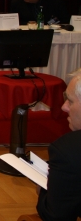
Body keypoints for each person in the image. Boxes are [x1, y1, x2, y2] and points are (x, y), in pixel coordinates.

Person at [36, 69, 81, 220]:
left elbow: (55, 216)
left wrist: (44, 189)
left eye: (70, 101)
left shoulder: (68, 149)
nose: (64, 107)